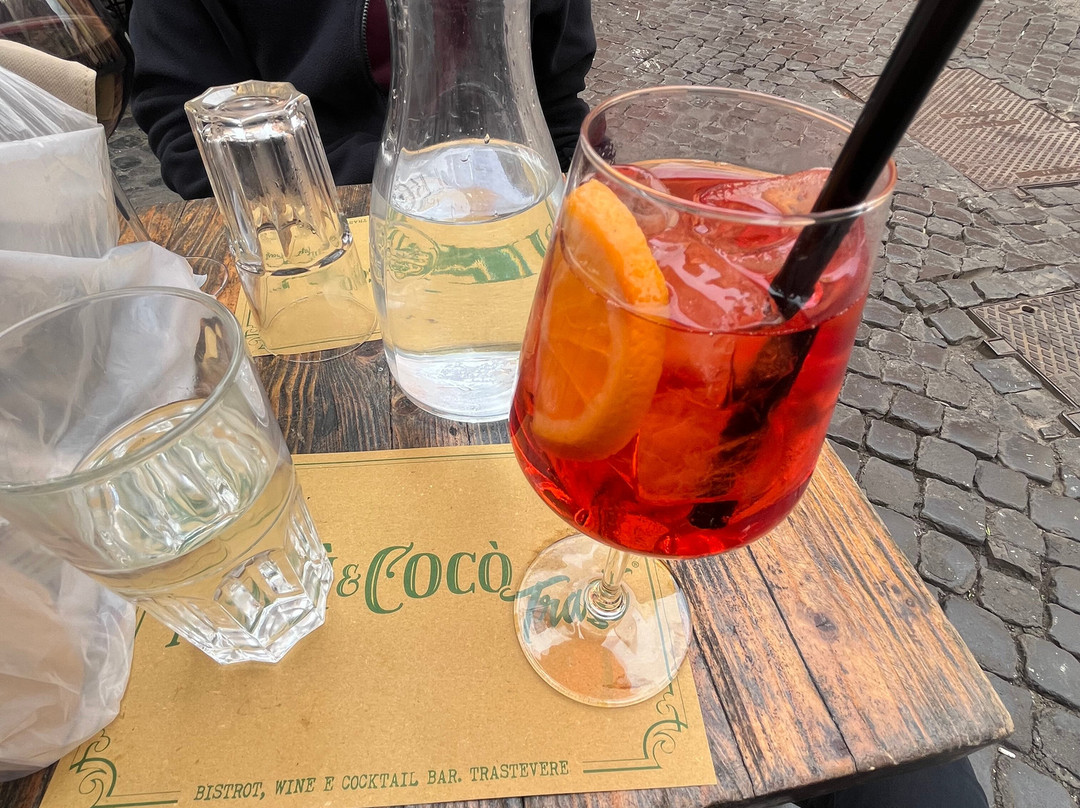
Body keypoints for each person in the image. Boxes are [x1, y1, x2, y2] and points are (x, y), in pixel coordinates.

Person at [128, 0, 595, 199]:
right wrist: (416, 177)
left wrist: (591, 200)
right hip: (302, 234)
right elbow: (190, 136)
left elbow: (554, 102)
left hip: (509, 211)